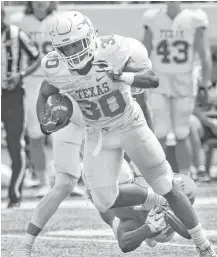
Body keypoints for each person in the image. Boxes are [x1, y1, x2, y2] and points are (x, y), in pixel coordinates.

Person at [12, 11, 216, 257]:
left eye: (76, 43)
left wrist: (124, 76)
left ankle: (204, 245)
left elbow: (152, 79)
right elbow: (45, 93)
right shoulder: (56, 67)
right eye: (65, 47)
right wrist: (45, 121)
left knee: (167, 184)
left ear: (89, 37)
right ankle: (156, 200)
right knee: (102, 201)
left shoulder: (115, 50)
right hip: (98, 134)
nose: (72, 51)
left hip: (131, 125)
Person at [142, 2, 212, 176]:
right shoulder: (153, 18)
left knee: (182, 132)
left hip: (184, 82)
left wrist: (206, 82)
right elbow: (144, 53)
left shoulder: (194, 18)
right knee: (160, 131)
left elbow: (204, 54)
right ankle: (158, 175)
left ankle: (186, 176)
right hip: (159, 81)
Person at [85, 166, 197, 253]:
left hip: (162, 226)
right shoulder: (126, 210)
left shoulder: (144, 185)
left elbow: (190, 232)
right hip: (141, 214)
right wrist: (147, 229)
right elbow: (124, 244)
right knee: (105, 207)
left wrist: (171, 216)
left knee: (103, 200)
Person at [9, 1, 58, 197]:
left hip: (57, 81)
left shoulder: (60, 21)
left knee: (65, 135)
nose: (40, 2)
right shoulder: (18, 22)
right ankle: (43, 181)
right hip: (29, 83)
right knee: (36, 135)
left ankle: (67, 178)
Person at [1, 3, 40, 208]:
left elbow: (37, 57)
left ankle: (14, 197)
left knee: (16, 145)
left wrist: (21, 74)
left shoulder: (16, 33)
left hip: (11, 95)